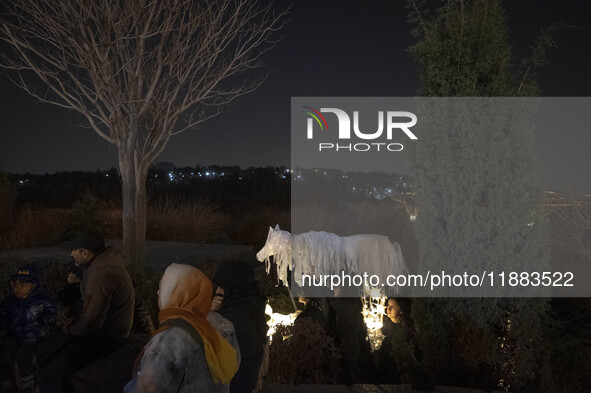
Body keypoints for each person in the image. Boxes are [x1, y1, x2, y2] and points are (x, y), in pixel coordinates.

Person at [38, 231, 135, 393]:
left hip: (107, 338)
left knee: (50, 374)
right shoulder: (102, 264)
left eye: (75, 250)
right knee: (50, 352)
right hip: (107, 332)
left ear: (85, 253)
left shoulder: (101, 274)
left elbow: (90, 322)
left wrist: (65, 327)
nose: (71, 254)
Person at [125, 263, 238, 393]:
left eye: (162, 287)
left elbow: (148, 388)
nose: (158, 292)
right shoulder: (222, 326)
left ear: (178, 294)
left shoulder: (166, 343)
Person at [0, 264, 58, 393]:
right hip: (13, 335)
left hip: (34, 335)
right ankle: (5, 383)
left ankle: (28, 385)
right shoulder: (9, 302)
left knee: (23, 356)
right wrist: (4, 326)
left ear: (34, 285)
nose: (18, 288)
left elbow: (52, 312)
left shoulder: (42, 300)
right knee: (4, 355)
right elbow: (3, 315)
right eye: (15, 285)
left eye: (23, 285)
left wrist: (42, 321)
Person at [214, 260, 267, 393]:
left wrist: (210, 313)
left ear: (233, 288)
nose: (218, 290)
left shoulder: (232, 319)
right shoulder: (251, 306)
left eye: (222, 286)